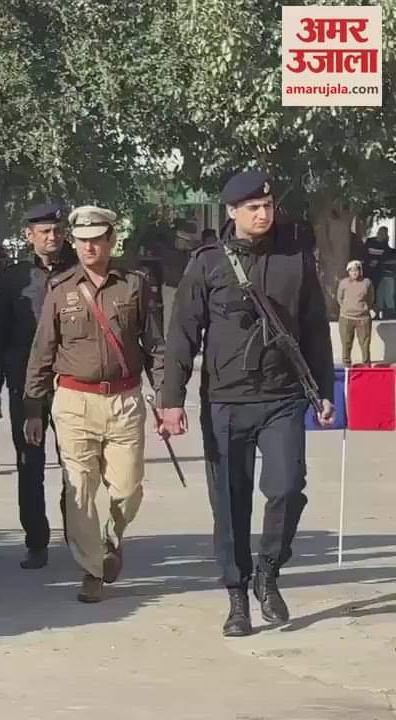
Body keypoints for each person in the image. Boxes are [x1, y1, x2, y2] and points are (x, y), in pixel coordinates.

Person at [159, 170, 335, 637]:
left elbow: (315, 329)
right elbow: (181, 336)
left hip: (282, 398)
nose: (263, 214)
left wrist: (324, 392)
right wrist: (170, 400)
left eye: (268, 206)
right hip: (225, 402)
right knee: (230, 503)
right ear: (233, 212)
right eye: (253, 208)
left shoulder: (295, 257)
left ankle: (268, 574)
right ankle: (237, 596)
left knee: (286, 488)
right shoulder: (207, 263)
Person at [23, 205, 165, 603]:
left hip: (124, 400)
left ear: (110, 241)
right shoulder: (61, 289)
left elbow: (155, 346)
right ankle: (92, 569)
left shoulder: (134, 285)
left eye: (95, 240)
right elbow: (42, 351)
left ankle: (112, 538)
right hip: (73, 402)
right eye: (81, 240)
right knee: (79, 489)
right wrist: (33, 407)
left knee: (128, 487)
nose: (88, 247)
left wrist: (168, 399)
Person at [0, 202, 77, 569]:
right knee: (30, 464)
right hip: (26, 386)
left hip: (71, 382)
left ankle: (78, 536)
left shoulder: (79, 272)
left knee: (76, 465)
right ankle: (36, 540)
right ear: (29, 236)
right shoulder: (14, 279)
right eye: (44, 232)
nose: (51, 237)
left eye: (56, 231)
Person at [337, 259, 375, 366]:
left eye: (356, 270)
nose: (354, 272)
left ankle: (366, 364)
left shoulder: (367, 282)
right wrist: (346, 308)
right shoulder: (343, 283)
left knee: (365, 344)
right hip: (346, 318)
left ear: (360, 271)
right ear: (348, 271)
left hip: (363, 319)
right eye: (352, 270)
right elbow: (339, 298)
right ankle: (346, 365)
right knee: (346, 343)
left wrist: (365, 308)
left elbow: (371, 298)